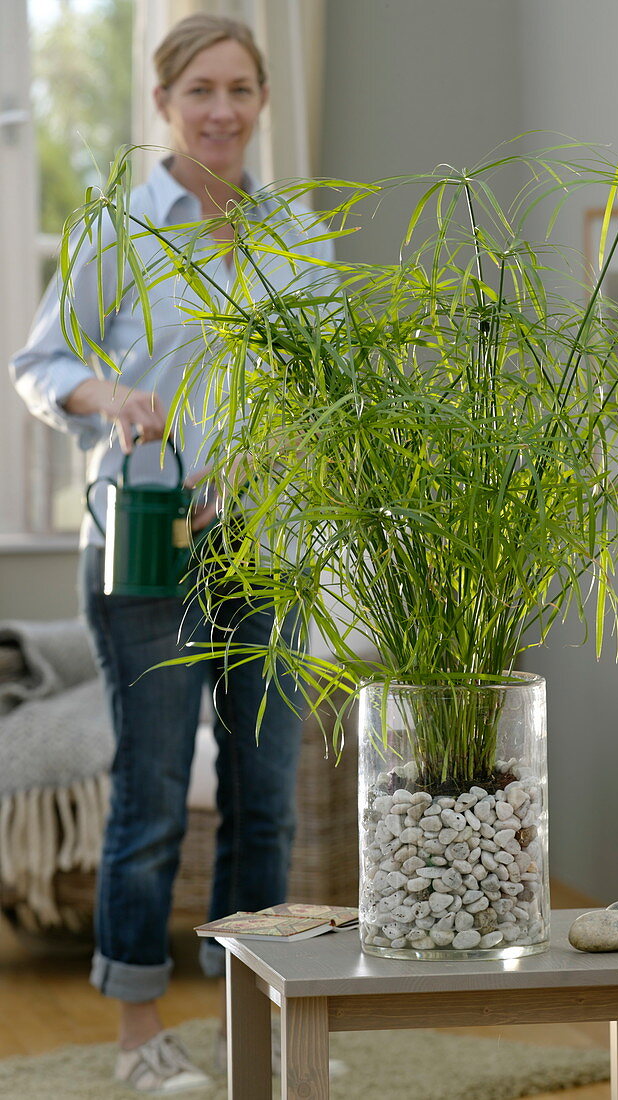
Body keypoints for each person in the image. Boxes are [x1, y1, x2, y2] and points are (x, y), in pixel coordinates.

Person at [10, 14, 334, 1093]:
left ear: (261, 101)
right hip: (146, 536)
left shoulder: (297, 235)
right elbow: (41, 363)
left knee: (265, 797)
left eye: (242, 89)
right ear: (163, 101)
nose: (223, 111)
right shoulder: (121, 227)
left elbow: (328, 385)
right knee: (150, 792)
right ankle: (140, 1035)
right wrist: (109, 399)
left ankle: (254, 1027)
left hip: (267, 542)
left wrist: (279, 449)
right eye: (201, 89)